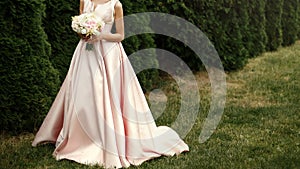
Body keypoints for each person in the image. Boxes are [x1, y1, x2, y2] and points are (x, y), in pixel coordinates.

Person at [32, 0, 189, 168]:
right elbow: (79, 23)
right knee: (82, 93)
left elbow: (120, 35)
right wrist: (83, 33)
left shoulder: (116, 5)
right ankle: (80, 137)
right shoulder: (84, 1)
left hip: (108, 54)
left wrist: (99, 35)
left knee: (105, 94)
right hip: (85, 53)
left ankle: (106, 137)